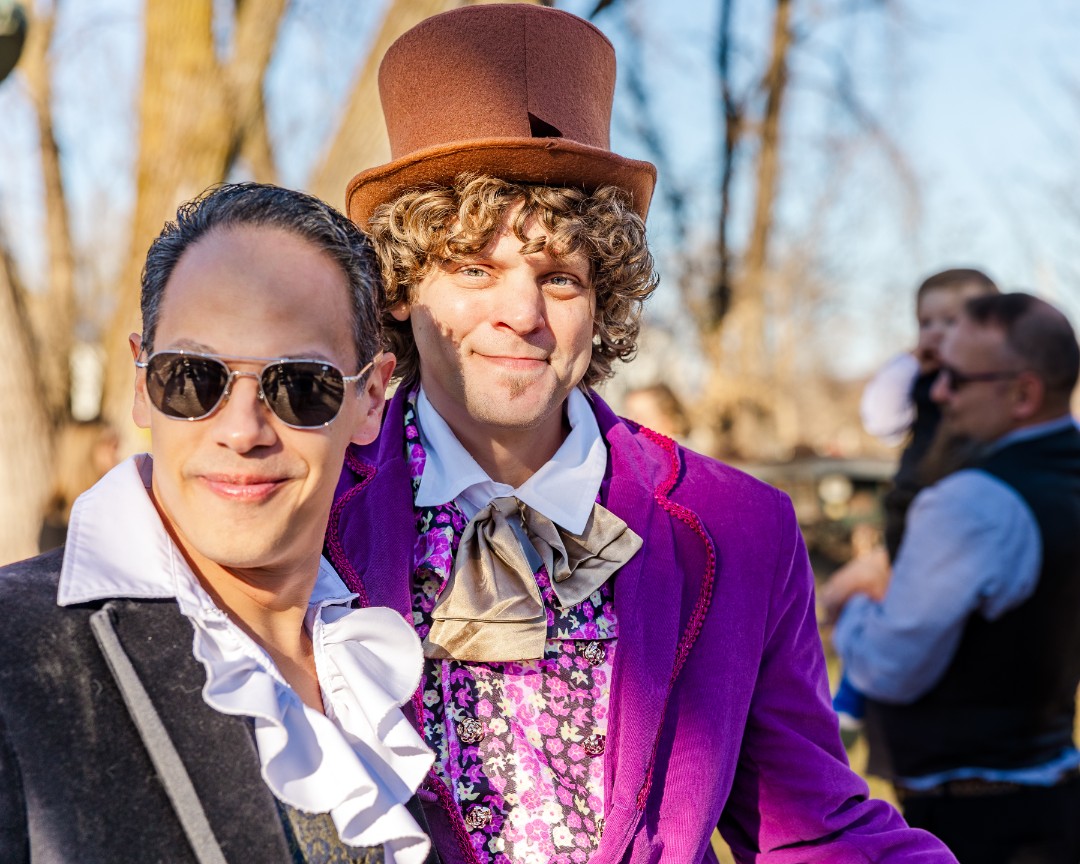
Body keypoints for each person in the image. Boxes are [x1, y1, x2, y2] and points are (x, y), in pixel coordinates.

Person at [328, 5, 955, 862]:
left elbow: (813, 829)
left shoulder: (740, 531)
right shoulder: (308, 509)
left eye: (559, 277)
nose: (521, 315)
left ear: (604, 298)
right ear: (401, 287)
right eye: (474, 269)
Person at [0, 183, 436, 864]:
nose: (241, 431)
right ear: (142, 385)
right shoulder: (14, 655)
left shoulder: (392, 657)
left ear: (371, 397)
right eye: (193, 377)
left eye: (300, 385)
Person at [829, 293, 1080, 863]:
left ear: (1023, 392)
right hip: (1053, 789)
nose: (939, 394)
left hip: (980, 819)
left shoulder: (971, 503)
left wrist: (855, 607)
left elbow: (891, 667)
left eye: (958, 380)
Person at [831, 268, 999, 732]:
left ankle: (879, 693)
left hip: (965, 524)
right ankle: (854, 695)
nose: (938, 334)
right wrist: (909, 363)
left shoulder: (996, 385)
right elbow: (880, 420)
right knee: (892, 605)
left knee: (934, 618)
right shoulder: (920, 379)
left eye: (953, 322)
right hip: (909, 515)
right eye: (927, 323)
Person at [38, 417, 121, 551]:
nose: (117, 454)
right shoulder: (57, 521)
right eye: (111, 446)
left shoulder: (116, 499)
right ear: (85, 452)